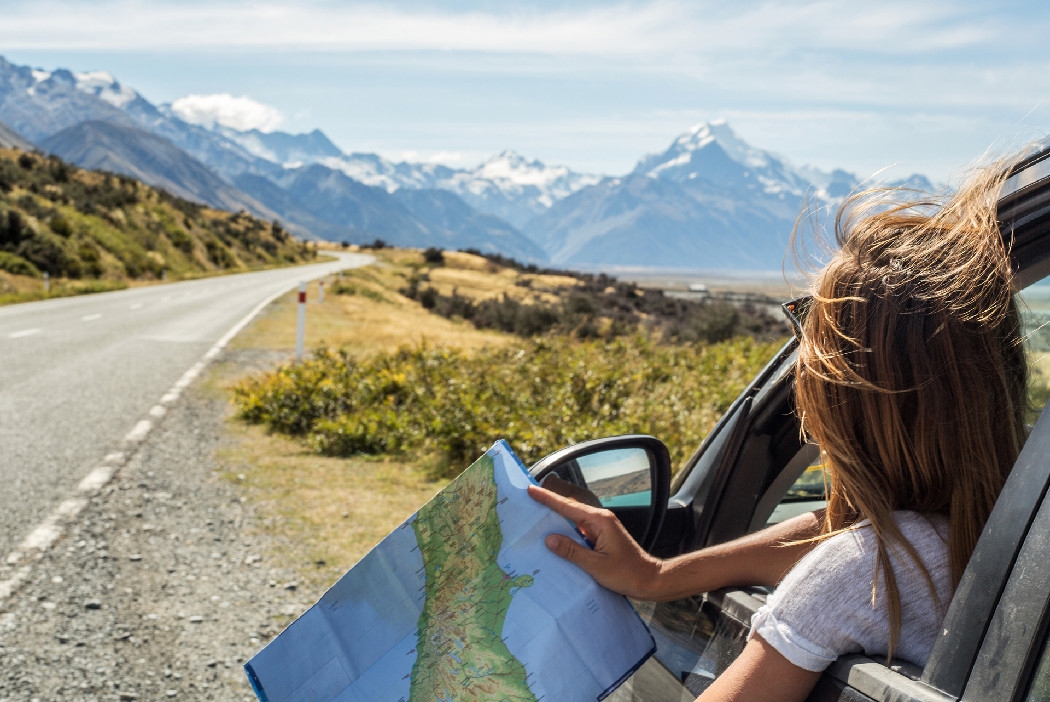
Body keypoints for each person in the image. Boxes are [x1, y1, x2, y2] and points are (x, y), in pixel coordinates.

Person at [529, 155, 1030, 702]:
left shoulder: (862, 573)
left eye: (808, 338)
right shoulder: (1007, 531)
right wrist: (656, 577)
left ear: (843, 399)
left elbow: (853, 556)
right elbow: (838, 534)